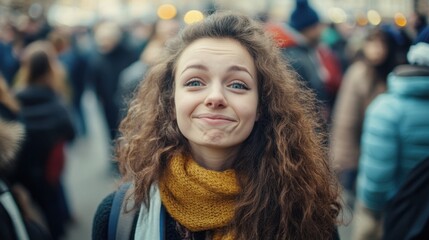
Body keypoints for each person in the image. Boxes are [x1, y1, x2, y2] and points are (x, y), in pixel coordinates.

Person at [93, 12, 341, 240]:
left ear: (261, 106)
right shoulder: (120, 217)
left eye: (237, 85)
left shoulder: (306, 212)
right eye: (194, 82)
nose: (215, 97)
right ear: (171, 101)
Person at [351, 26, 429, 240]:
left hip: (399, 216)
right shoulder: (360, 74)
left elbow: (376, 182)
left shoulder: (387, 109)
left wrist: (371, 212)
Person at [330, 26, 405, 207]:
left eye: (381, 43)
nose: (377, 49)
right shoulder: (358, 73)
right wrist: (346, 163)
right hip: (361, 154)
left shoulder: (395, 73)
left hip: (389, 154)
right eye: (372, 42)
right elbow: (346, 122)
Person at [13, 41, 76, 240]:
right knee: (54, 196)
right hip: (51, 161)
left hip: (26, 163)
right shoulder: (56, 96)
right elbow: (70, 131)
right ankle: (60, 227)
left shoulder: (14, 97)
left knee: (37, 204)